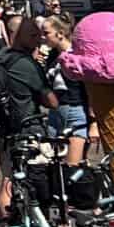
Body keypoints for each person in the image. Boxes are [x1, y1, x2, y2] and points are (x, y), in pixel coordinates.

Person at [0, 11, 57, 217]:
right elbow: (51, 101)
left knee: (9, 178)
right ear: (16, 35)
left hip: (5, 127)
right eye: (33, 34)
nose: (39, 38)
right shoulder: (25, 64)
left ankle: (7, 225)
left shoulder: (0, 57)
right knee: (36, 179)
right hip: (27, 127)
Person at [40, 14, 91, 171]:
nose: (43, 37)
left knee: (72, 168)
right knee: (56, 169)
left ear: (60, 33)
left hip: (75, 111)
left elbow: (90, 89)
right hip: (55, 113)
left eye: (46, 33)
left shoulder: (77, 54)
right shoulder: (52, 55)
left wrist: (94, 123)